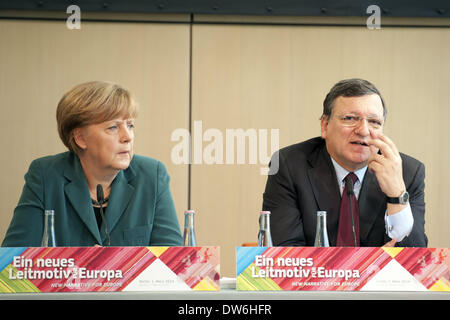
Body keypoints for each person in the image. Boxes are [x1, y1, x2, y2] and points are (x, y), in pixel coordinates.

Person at [2, 81, 183, 247]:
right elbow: (13, 263)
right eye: (113, 127)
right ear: (80, 138)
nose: (127, 137)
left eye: (130, 125)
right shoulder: (46, 176)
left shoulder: (151, 175)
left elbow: (174, 264)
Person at [263, 78, 427, 247]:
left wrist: (397, 195)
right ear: (325, 126)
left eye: (374, 122)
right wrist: (366, 267)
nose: (363, 131)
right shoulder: (289, 165)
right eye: (350, 118)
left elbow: (416, 262)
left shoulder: (407, 173)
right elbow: (283, 255)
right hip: (320, 274)